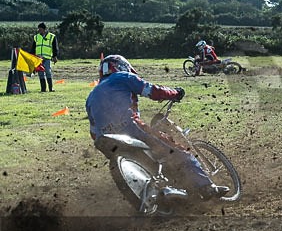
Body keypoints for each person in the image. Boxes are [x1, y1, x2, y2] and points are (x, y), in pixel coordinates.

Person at [85, 54, 229, 200]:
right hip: (131, 128)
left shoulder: (90, 96)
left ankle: (164, 190)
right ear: (121, 66)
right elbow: (153, 91)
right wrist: (175, 93)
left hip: (105, 140)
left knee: (152, 159)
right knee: (178, 152)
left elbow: (93, 131)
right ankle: (206, 187)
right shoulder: (122, 77)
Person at [30, 22, 59, 92]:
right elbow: (33, 48)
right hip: (38, 59)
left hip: (47, 58)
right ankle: (43, 89)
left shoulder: (52, 36)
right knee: (40, 73)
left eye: (40, 29)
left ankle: (51, 88)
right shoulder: (36, 37)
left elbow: (55, 47)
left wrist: (55, 56)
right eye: (38, 29)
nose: (39, 31)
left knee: (48, 72)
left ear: (44, 29)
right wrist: (32, 56)